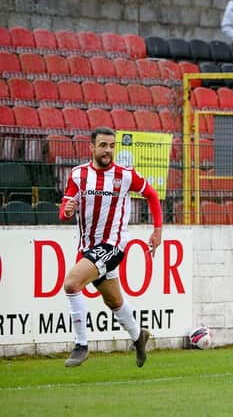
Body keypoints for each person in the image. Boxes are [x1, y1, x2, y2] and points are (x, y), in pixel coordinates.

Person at [59, 127, 163, 368]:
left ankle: (81, 345)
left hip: (113, 245)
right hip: (88, 247)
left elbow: (152, 196)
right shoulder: (77, 175)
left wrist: (157, 231)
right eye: (103, 145)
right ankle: (139, 337)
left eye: (111, 146)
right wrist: (66, 212)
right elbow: (65, 208)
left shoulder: (125, 175)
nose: (108, 151)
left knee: (72, 283)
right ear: (92, 147)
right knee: (114, 302)